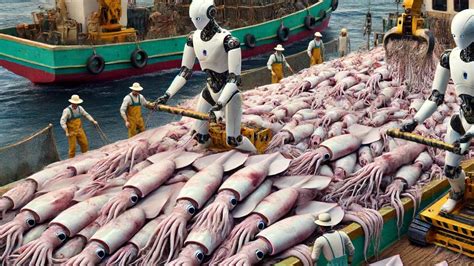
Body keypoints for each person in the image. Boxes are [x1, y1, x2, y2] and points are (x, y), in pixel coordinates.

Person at [154, 0, 255, 153]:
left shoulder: (229, 41)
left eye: (198, 19)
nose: (196, 23)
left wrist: (220, 105)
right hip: (209, 91)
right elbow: (185, 71)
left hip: (229, 95)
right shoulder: (193, 38)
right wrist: (167, 95)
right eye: (193, 20)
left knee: (233, 140)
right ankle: (208, 155)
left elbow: (234, 78)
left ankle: (256, 154)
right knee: (199, 135)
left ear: (211, 14)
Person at [400, 9, 474, 213]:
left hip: (470, 128)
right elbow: (435, 97)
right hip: (462, 120)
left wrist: (467, 137)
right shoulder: (449, 58)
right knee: (450, 169)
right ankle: (457, 193)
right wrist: (415, 120)